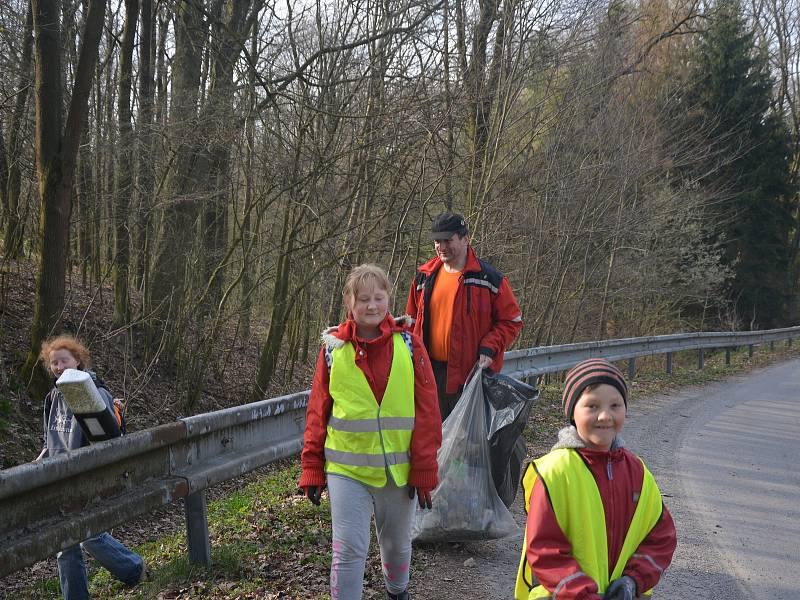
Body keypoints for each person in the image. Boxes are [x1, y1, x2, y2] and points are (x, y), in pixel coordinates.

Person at [299, 264, 442, 600]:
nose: (372, 305)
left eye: (379, 297)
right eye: (363, 299)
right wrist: (312, 466)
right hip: (347, 471)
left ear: (389, 298)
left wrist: (424, 467)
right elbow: (317, 411)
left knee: (396, 546)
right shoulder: (333, 350)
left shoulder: (410, 346)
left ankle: (397, 593)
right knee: (348, 551)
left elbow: (428, 411)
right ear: (350, 303)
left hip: (398, 470)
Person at [514, 359, 677, 600]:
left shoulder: (639, 474)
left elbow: (661, 537)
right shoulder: (554, 473)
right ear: (572, 413)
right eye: (592, 406)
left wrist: (634, 580)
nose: (604, 416)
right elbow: (545, 550)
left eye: (615, 405)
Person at [36, 335, 147, 600]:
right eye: (54, 363)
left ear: (78, 361)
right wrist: (42, 457)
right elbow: (50, 436)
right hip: (58, 476)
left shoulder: (97, 393)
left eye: (64, 360)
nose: (59, 367)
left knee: (87, 536)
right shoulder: (52, 397)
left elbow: (108, 439)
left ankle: (133, 569)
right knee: (65, 544)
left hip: (86, 475)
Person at [405, 211, 523, 419]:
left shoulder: (489, 279)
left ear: (465, 239)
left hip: (470, 375)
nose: (441, 247)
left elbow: (512, 321)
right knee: (433, 440)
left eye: (448, 240)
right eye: (437, 241)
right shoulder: (425, 277)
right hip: (429, 374)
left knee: (466, 443)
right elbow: (410, 322)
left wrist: (490, 347)